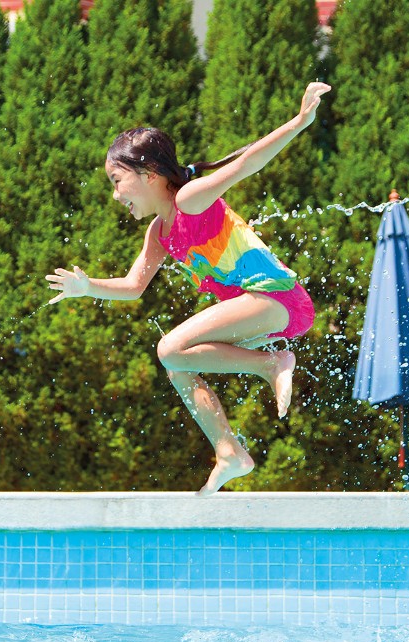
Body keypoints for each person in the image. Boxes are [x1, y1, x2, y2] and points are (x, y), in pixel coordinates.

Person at [46, 82, 332, 496]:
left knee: (168, 348)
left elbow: (245, 164)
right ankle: (229, 450)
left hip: (277, 298)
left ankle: (270, 365)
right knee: (177, 363)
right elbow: (132, 286)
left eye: (117, 180)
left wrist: (300, 121)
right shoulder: (159, 233)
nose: (114, 195)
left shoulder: (190, 200)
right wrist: (87, 286)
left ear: (148, 175)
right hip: (257, 309)